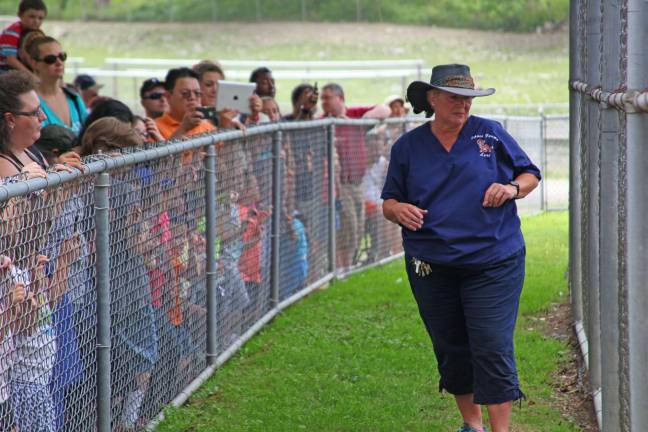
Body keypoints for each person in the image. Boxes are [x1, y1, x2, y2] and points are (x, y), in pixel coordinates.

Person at [381, 64, 541, 432]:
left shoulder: (490, 134)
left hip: (494, 260)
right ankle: (473, 425)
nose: (463, 105)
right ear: (432, 98)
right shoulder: (408, 147)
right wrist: (398, 210)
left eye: (469, 99)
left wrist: (512, 189)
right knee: (451, 346)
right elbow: (390, 200)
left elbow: (530, 173)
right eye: (455, 97)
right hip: (432, 265)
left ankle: (500, 430)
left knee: (491, 345)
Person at [320, 82, 367, 269]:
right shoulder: (323, 120)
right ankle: (343, 267)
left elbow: (383, 110)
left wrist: (352, 121)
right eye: (322, 98)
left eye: (327, 98)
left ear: (340, 98)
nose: (323, 102)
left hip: (358, 184)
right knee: (348, 225)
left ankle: (351, 266)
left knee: (359, 226)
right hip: (340, 185)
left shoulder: (354, 114)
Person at [29, 36, 88, 136]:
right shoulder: (30, 103)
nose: (59, 62)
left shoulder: (74, 98)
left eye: (62, 56)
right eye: (50, 59)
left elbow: (89, 134)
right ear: (34, 63)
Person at [155, 67, 215, 140]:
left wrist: (226, 126)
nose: (192, 97)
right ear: (168, 96)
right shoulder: (155, 128)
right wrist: (183, 129)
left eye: (197, 93)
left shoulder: (207, 127)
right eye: (185, 93)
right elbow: (163, 151)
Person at [0, 0, 47, 73]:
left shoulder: (38, 33)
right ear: (20, 15)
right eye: (32, 17)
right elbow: (11, 60)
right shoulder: (12, 32)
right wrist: (32, 77)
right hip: (6, 74)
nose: (36, 21)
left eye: (40, 18)